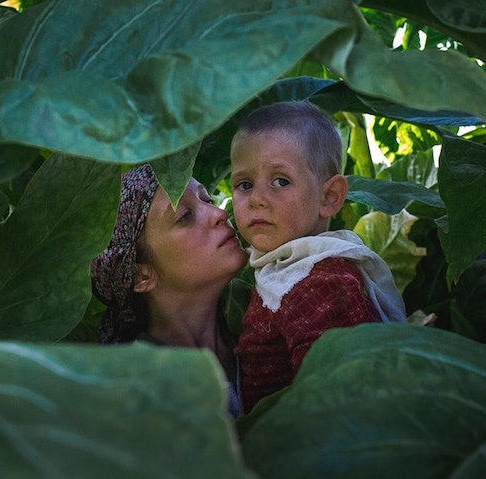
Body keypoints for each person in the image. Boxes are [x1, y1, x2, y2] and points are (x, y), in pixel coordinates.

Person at [230, 101, 407, 410]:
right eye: (244, 184)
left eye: (281, 181)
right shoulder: (286, 266)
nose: (257, 199)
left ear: (329, 197)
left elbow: (336, 402)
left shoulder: (321, 282)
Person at [91, 164, 249, 417]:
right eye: (185, 216)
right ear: (141, 275)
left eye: (207, 199)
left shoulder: (271, 309)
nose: (219, 213)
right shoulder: (136, 398)